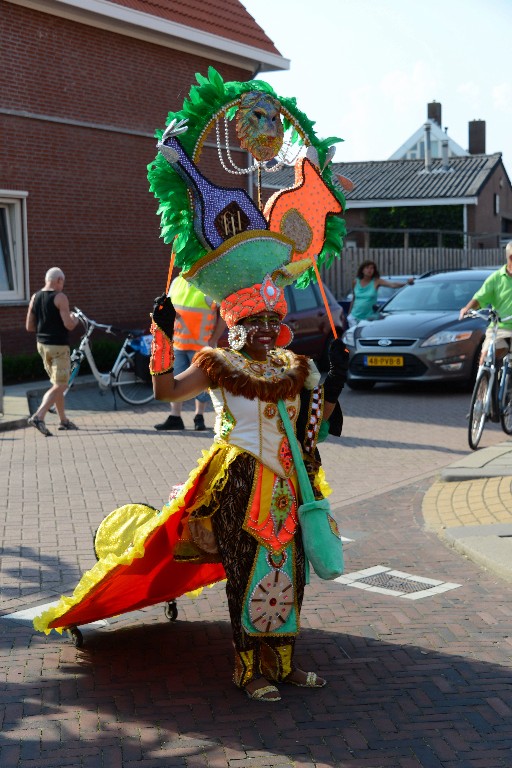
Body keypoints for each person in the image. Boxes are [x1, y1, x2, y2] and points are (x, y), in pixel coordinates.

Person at [154, 275, 226, 431]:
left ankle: (199, 416)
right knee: (174, 380)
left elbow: (223, 315)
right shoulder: (177, 282)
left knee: (202, 384)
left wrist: (214, 339)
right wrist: (163, 309)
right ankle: (175, 416)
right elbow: (175, 311)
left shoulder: (209, 282)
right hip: (178, 343)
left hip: (201, 345)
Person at [25, 266, 79, 436]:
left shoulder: (35, 297)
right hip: (58, 347)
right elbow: (69, 325)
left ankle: (63, 420)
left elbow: (29, 326)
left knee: (57, 383)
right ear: (59, 280)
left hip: (42, 346)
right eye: (63, 282)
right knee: (61, 384)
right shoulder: (60, 297)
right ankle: (39, 416)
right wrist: (75, 318)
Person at [459, 241, 512, 364]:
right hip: (499, 328)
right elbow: (479, 298)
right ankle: (484, 381)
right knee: (486, 358)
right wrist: (467, 308)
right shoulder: (496, 278)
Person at [347, 260, 414, 326]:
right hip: (354, 318)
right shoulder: (356, 282)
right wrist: (349, 314)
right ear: (362, 270)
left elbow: (392, 285)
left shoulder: (377, 281)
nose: (369, 270)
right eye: (367, 268)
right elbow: (354, 298)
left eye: (372, 268)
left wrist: (406, 283)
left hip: (369, 318)